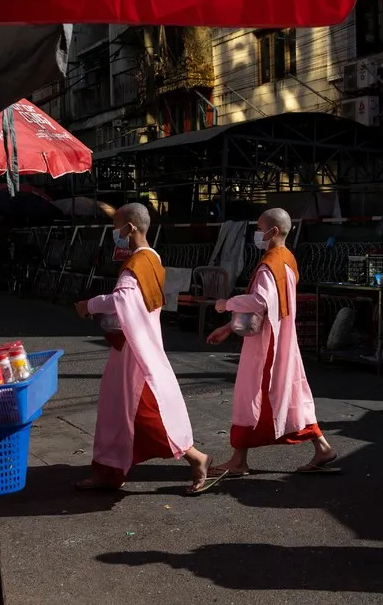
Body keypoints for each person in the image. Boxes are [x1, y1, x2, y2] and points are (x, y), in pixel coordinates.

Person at [73, 203, 213, 494]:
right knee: (117, 411)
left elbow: (121, 300)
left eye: (116, 227)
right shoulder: (153, 258)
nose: (114, 233)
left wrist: (89, 305)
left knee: (146, 414)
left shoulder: (136, 265)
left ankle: (196, 457)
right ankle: (108, 470)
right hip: (136, 345)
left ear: (130, 228)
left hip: (135, 352)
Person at [206, 208, 337, 477]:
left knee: (252, 395)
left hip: (266, 344)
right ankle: (321, 446)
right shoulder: (287, 259)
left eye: (259, 227)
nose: (256, 233)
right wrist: (230, 326)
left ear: (273, 231)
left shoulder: (270, 264)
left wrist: (225, 304)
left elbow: (260, 302)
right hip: (283, 339)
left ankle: (239, 460)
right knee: (290, 394)